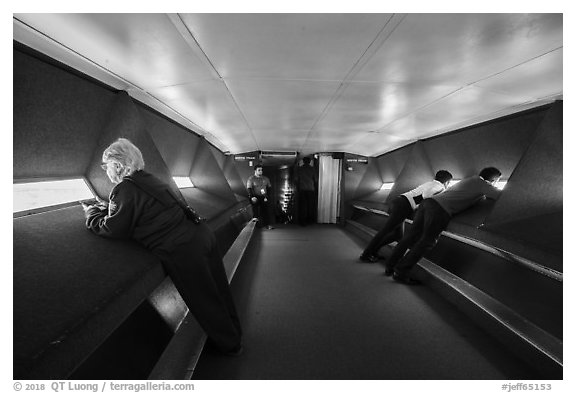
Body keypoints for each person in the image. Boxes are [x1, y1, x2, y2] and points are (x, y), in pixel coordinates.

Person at [82, 138, 243, 355]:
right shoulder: (150, 179)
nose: (106, 170)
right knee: (219, 291)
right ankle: (235, 332)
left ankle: (230, 346)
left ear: (118, 165)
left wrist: (91, 212)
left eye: (106, 165)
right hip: (200, 234)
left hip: (183, 249)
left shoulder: (124, 189)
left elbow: (111, 228)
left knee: (204, 300)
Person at [385, 167, 502, 285]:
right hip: (440, 209)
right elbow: (500, 196)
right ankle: (401, 271)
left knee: (410, 237)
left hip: (427, 203)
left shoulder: (470, 179)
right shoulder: (482, 184)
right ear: (493, 179)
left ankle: (390, 265)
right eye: (497, 180)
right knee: (427, 242)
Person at [359, 170, 453, 263]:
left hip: (399, 202)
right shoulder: (440, 187)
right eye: (448, 183)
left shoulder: (430, 183)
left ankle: (374, 251)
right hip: (403, 206)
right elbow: (427, 196)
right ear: (446, 182)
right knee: (384, 231)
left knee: (398, 234)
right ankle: (366, 255)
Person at [247, 164, 274, 229]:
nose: (261, 171)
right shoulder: (251, 179)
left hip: (263, 196)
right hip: (255, 196)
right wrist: (252, 197)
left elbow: (269, 188)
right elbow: (249, 189)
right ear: (255, 171)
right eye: (259, 170)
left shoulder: (266, 178)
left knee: (265, 210)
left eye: (261, 170)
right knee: (254, 202)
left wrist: (267, 197)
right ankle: (255, 217)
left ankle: (267, 225)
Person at [295, 157, 318, 226]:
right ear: (309, 161)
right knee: (310, 205)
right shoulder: (312, 169)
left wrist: (298, 188)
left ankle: (302, 221)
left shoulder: (300, 169)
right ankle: (310, 220)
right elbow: (316, 180)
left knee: (303, 206)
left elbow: (296, 180)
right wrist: (316, 189)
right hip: (311, 189)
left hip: (302, 189)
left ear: (303, 161)